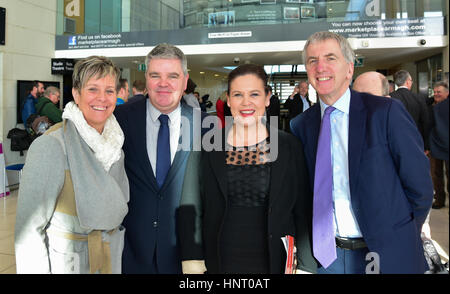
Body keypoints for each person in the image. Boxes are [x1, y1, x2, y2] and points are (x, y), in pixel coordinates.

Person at [290, 31, 433, 274]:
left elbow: (420, 188)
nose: (320, 66)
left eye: (330, 58)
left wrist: (399, 234)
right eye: (312, 60)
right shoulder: (300, 125)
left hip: (385, 253)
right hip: (329, 259)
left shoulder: (385, 112)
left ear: (349, 69)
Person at [179, 64, 317, 274]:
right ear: (228, 99)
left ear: (267, 98)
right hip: (219, 258)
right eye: (237, 95)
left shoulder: (289, 146)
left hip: (274, 260)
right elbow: (191, 206)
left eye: (254, 94)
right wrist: (192, 257)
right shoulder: (206, 145)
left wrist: (306, 266)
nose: (246, 102)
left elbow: (302, 210)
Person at [14, 56, 129, 274]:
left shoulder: (115, 144)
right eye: (93, 89)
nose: (102, 98)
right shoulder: (51, 145)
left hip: (111, 261)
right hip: (70, 263)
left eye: (109, 90)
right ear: (76, 94)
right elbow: (29, 231)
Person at [114, 43, 208, 274]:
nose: (163, 83)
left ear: (185, 81)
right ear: (146, 78)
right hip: (131, 253)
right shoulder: (119, 120)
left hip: (183, 256)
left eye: (172, 76)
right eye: (155, 75)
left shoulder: (205, 126)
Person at [390, 70, 430, 148]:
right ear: (408, 82)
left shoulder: (390, 97)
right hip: (415, 138)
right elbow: (425, 121)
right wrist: (426, 145)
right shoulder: (419, 98)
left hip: (395, 139)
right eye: (411, 81)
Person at [429, 81, 449, 209]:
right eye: (435, 92)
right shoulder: (430, 105)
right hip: (435, 145)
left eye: (439, 92)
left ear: (447, 93)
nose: (436, 94)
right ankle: (439, 200)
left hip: (447, 145)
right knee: (436, 175)